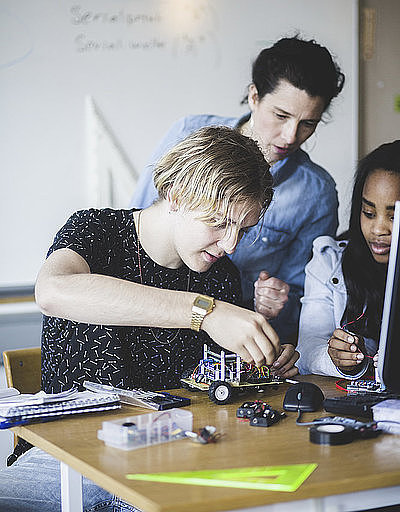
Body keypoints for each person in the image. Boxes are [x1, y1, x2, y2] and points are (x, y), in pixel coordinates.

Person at [0, 126, 299, 512]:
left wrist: (259, 362)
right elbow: (53, 292)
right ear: (175, 197)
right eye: (218, 222)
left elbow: (208, 387)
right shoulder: (96, 232)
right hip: (64, 459)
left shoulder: (220, 275)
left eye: (243, 229)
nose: (230, 245)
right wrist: (204, 312)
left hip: (162, 457)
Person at [131, 35, 345, 343]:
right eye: (281, 116)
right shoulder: (190, 133)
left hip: (229, 342)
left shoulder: (317, 194)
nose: (290, 136)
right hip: (149, 318)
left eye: (308, 124)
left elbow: (305, 300)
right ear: (254, 96)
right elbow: (138, 222)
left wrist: (274, 303)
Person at [297, 140, 400, 378]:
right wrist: (339, 359)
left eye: (393, 217)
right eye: (369, 213)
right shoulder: (329, 261)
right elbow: (308, 348)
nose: (378, 229)